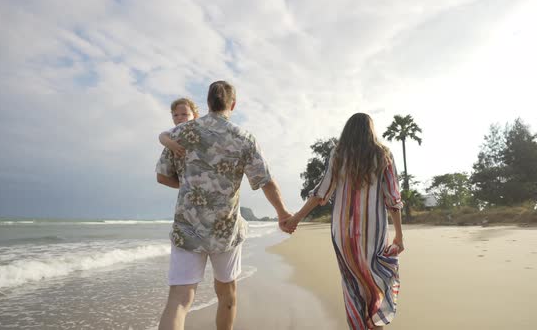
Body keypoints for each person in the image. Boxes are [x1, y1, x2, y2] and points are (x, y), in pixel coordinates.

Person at [155, 80, 293, 330]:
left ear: (208, 103)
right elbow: (265, 181)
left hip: (187, 228)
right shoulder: (243, 137)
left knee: (179, 300)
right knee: (227, 295)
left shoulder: (180, 133)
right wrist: (282, 212)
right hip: (225, 230)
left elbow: (162, 176)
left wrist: (189, 184)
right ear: (233, 104)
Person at [285, 113, 404, 330]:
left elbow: (321, 193)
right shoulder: (383, 154)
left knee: (352, 284)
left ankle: (359, 325)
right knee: (374, 280)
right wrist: (399, 235)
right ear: (371, 130)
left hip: (343, 234)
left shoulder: (339, 154)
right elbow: (392, 198)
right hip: (374, 234)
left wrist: (296, 218)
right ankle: (375, 323)